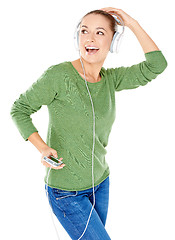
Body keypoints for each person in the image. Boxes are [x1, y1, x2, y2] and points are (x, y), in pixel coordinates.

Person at [10, 7, 167, 240]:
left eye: (100, 32)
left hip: (101, 183)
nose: (90, 38)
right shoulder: (58, 75)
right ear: (77, 38)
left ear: (114, 42)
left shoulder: (111, 80)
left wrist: (131, 23)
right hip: (66, 192)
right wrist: (42, 147)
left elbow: (157, 65)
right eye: (84, 31)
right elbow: (20, 109)